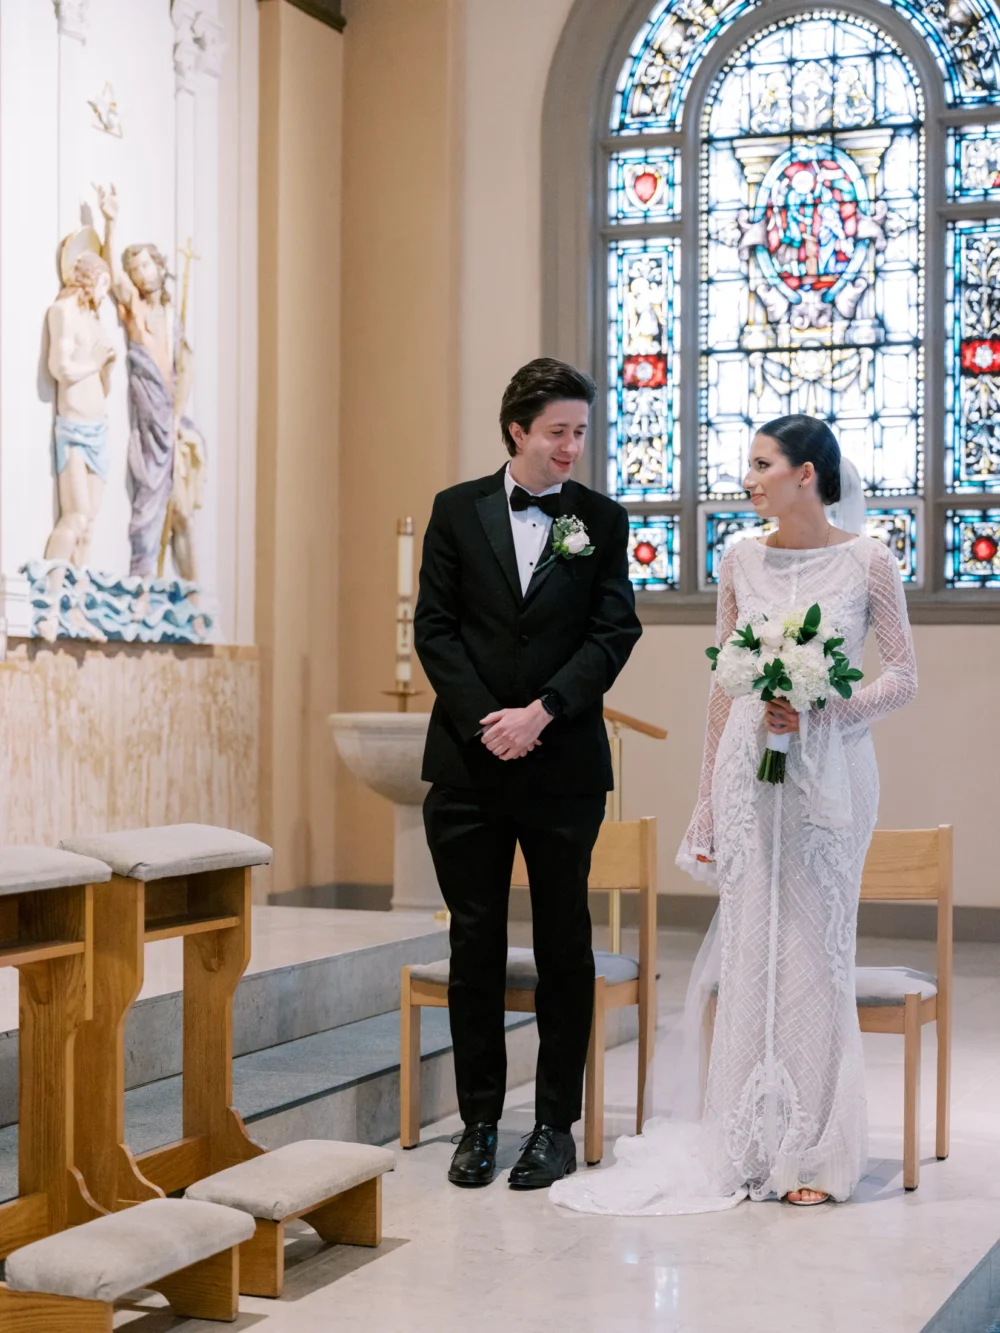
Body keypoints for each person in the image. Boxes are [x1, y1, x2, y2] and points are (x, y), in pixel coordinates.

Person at [551, 414, 917, 1215]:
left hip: (831, 775)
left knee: (816, 954)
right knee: (750, 951)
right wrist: (707, 802)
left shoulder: (869, 560)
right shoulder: (738, 558)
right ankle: (745, 1143)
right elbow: (723, 688)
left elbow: (902, 677)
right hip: (750, 773)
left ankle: (812, 1149)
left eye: (761, 463)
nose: (747, 478)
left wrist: (826, 706)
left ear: (806, 474)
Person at [414, 358, 642, 1191]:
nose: (571, 446)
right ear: (517, 430)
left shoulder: (600, 519)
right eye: (557, 432)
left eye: (580, 431)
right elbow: (435, 630)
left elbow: (613, 632)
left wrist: (541, 712)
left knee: (563, 943)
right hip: (469, 765)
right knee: (473, 941)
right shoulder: (455, 510)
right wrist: (491, 721)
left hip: (563, 765)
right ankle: (478, 1122)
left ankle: (554, 1125)